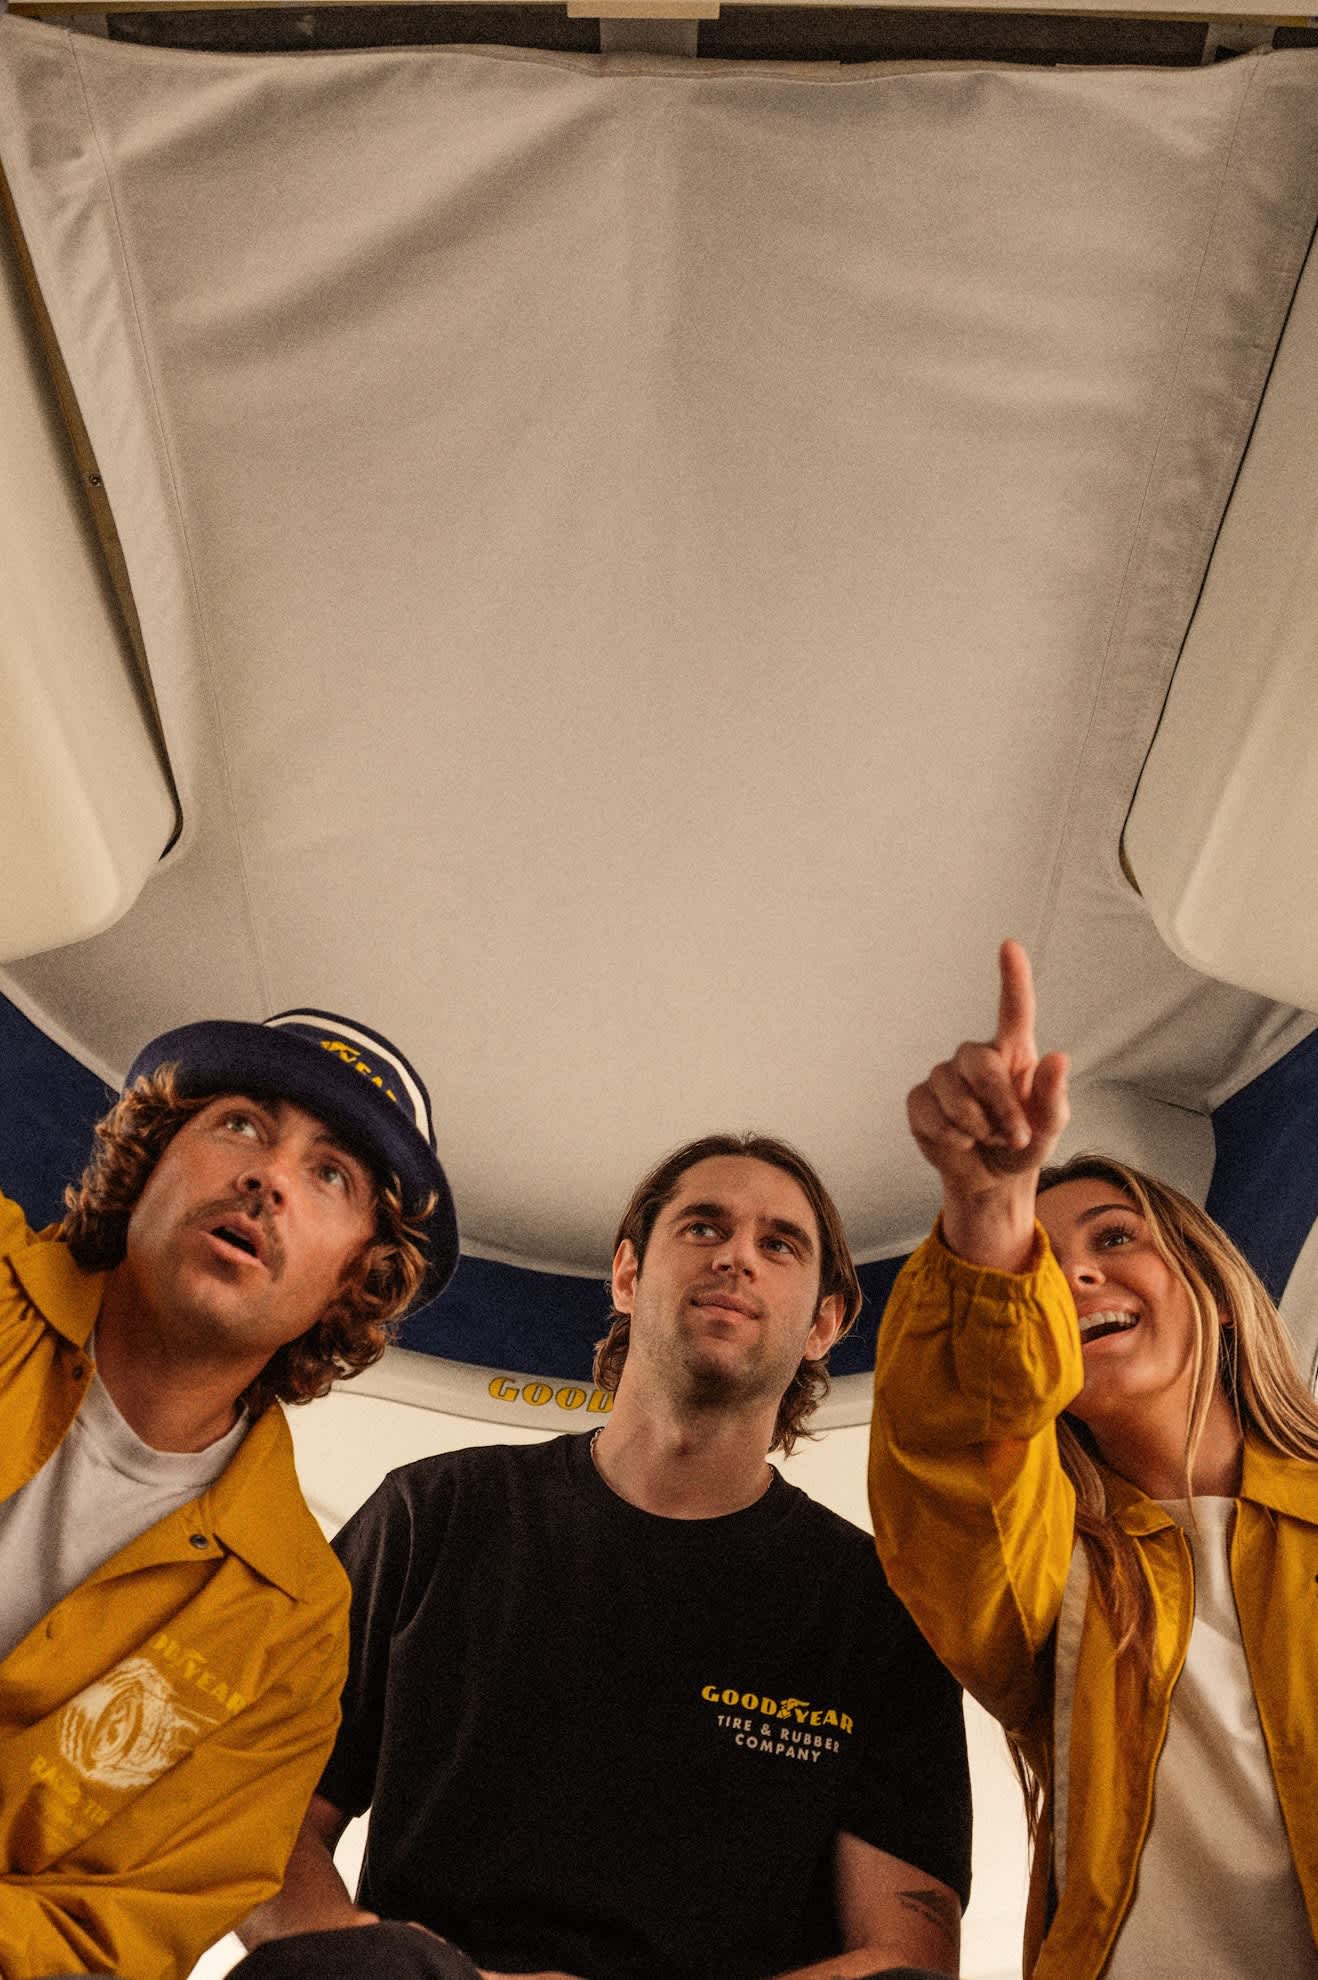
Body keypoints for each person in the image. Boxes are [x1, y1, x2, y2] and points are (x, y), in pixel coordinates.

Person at [236, 1132, 972, 1980]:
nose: (736, 1256)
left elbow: (906, 1957)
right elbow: (256, 1819)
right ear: (627, 1274)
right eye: (703, 1227)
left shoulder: (877, 1608)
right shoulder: (431, 1515)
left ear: (825, 1324)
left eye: (779, 1245)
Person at [869, 940, 1318, 1980]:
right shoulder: (1050, 1582)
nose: (1073, 1274)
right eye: (1044, 1263)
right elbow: (946, 1454)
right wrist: (988, 1218)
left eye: (1114, 1237)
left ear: (1212, 1285)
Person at [0, 1007, 458, 1980]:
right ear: (147, 1159)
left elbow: (107, 1938)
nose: (270, 1178)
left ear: (354, 1279)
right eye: (242, 1125)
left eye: (330, 1176)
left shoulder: (293, 1630)